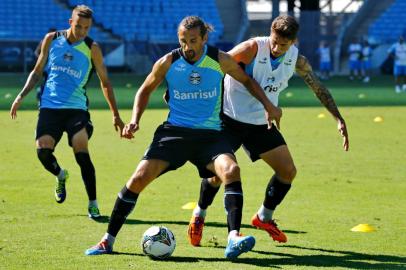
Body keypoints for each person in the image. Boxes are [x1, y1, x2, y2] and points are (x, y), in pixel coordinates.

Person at [84, 16, 282, 259]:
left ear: (204, 38)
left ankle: (233, 239)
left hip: (210, 135)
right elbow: (145, 89)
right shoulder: (168, 62)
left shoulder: (219, 60)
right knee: (138, 178)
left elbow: (247, 81)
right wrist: (135, 119)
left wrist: (268, 105)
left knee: (231, 171)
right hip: (175, 133)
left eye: (193, 40)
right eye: (183, 41)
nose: (188, 46)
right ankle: (107, 240)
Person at [187, 15, 349, 247]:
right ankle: (199, 215)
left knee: (287, 171)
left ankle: (264, 217)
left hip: (261, 123)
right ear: (270, 34)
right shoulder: (252, 48)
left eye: (282, 44)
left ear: (293, 42)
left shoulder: (297, 60)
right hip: (228, 119)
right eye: (274, 41)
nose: (275, 47)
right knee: (217, 176)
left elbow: (318, 87)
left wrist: (338, 118)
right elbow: (216, 67)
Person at [10, 5, 124, 219]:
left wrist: (115, 114)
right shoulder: (52, 39)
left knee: (81, 149)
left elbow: (105, 83)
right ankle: (61, 175)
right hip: (49, 107)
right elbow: (37, 71)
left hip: (76, 109)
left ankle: (93, 204)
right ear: (70, 22)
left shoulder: (92, 48)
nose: (82, 31)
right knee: (43, 151)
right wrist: (20, 96)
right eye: (79, 26)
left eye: (87, 28)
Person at [34, 28, 57, 102]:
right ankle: (41, 95)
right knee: (47, 83)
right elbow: (36, 52)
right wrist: (42, 59)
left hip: (56, 68)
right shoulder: (44, 41)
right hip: (47, 68)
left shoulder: (59, 42)